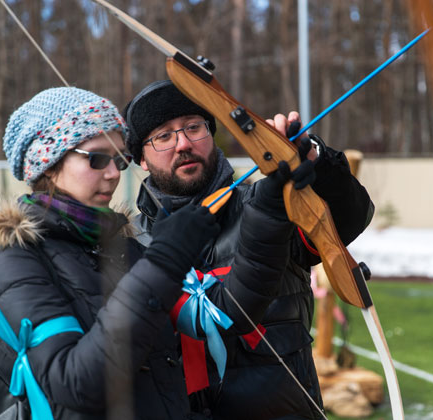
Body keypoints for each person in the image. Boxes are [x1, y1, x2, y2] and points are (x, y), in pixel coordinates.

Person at [0, 87, 304, 420]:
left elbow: (223, 313)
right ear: (48, 164)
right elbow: (75, 382)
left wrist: (270, 208)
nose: (111, 174)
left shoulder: (119, 247)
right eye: (97, 159)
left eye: (118, 160)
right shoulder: (10, 257)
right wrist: (164, 261)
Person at [123, 80, 375, 420]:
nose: (183, 143)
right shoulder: (130, 241)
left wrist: (314, 161)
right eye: (164, 136)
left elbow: (349, 217)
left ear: (211, 134)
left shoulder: (269, 201)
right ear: (141, 157)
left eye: (193, 127)